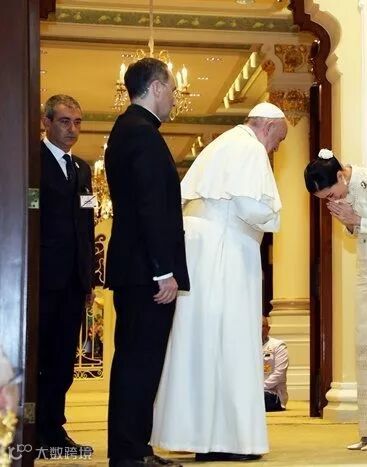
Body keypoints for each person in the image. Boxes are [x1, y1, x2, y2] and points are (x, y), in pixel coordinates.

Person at [151, 102, 287, 462]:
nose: (275, 149)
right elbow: (249, 206)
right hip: (224, 251)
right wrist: (276, 214)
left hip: (204, 249)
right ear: (267, 127)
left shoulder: (223, 143)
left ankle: (202, 436)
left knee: (202, 341)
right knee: (229, 338)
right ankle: (228, 440)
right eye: (278, 140)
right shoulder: (249, 147)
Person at [104, 57, 189, 467]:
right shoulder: (143, 134)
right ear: (155, 87)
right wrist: (164, 270)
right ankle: (130, 453)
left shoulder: (128, 129)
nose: (173, 98)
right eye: (171, 90)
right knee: (140, 363)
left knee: (134, 361)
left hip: (135, 269)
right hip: (146, 272)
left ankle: (133, 449)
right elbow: (151, 207)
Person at [304, 149, 367, 451]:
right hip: (365, 270)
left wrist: (357, 219)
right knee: (366, 347)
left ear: (340, 175)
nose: (331, 199)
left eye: (330, 193)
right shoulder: (344, 190)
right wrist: (350, 223)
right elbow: (358, 233)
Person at [37, 94, 94, 454]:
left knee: (63, 359)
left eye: (77, 122)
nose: (72, 129)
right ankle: (33, 429)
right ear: (46, 123)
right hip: (41, 279)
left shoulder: (83, 170)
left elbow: (87, 225)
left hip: (73, 280)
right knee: (39, 356)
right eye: (64, 121)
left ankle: (54, 428)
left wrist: (88, 279)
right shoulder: (31, 161)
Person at [262, 316, 289, 412]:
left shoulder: (278, 346)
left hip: (271, 393)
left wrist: (259, 388)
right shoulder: (245, 347)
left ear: (268, 329)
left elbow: (279, 374)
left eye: (262, 326)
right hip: (250, 392)